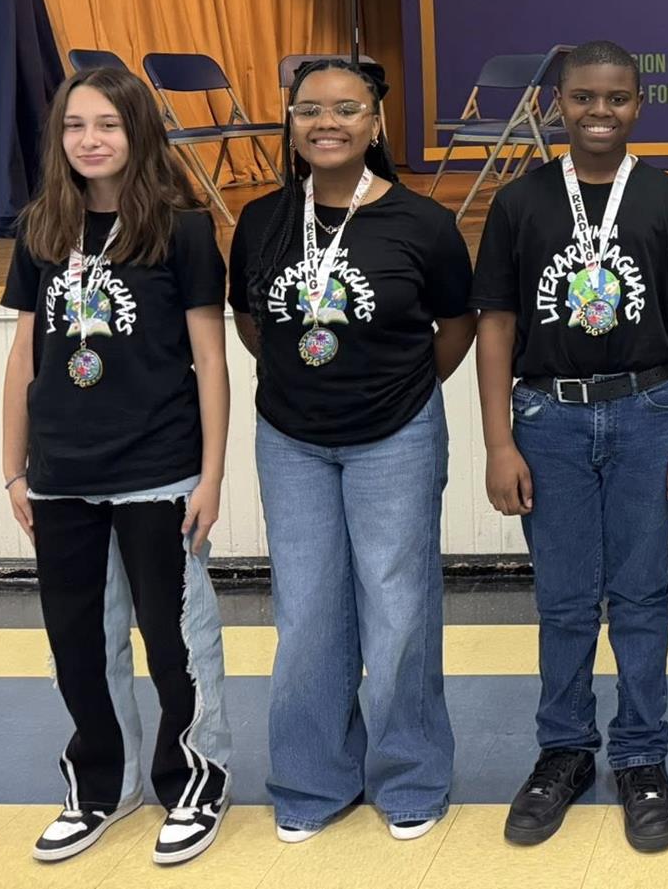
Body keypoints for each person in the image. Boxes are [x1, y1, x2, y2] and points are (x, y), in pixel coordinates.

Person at [474, 40, 668, 854]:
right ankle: (565, 750)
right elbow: (497, 324)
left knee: (644, 595)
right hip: (550, 417)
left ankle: (642, 756)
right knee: (566, 599)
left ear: (639, 103)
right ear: (558, 104)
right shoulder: (521, 201)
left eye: (616, 98)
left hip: (650, 409)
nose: (599, 112)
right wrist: (498, 440)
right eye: (583, 98)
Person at [228, 58, 475, 844]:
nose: (325, 122)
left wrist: (399, 389)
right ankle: (311, 777)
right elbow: (250, 320)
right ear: (291, 123)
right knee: (305, 613)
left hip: (395, 434)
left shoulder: (423, 223)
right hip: (291, 439)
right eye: (309, 110)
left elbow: (457, 324)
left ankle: (410, 774)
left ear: (375, 122)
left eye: (345, 108)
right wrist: (301, 383)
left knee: (399, 608)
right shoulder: (261, 219)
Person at [0, 66, 232, 866]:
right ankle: (103, 782)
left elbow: (212, 358)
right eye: (74, 126)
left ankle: (193, 776)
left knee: (176, 640)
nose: (89, 140)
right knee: (78, 640)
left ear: (138, 131)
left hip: (158, 469)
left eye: (107, 124)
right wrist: (12, 467)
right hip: (61, 470)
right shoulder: (40, 227)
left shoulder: (184, 228)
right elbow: (23, 355)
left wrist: (211, 474)